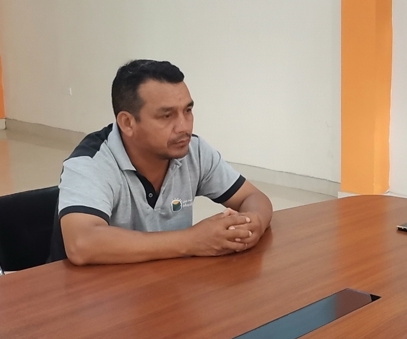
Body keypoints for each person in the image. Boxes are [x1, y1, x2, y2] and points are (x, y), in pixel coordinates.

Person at [54, 60, 273, 265]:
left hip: (165, 282)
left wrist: (253, 222)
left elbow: (253, 197)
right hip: (93, 288)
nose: (184, 127)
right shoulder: (90, 163)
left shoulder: (193, 151)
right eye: (167, 116)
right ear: (128, 123)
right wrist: (192, 240)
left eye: (188, 111)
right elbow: (81, 244)